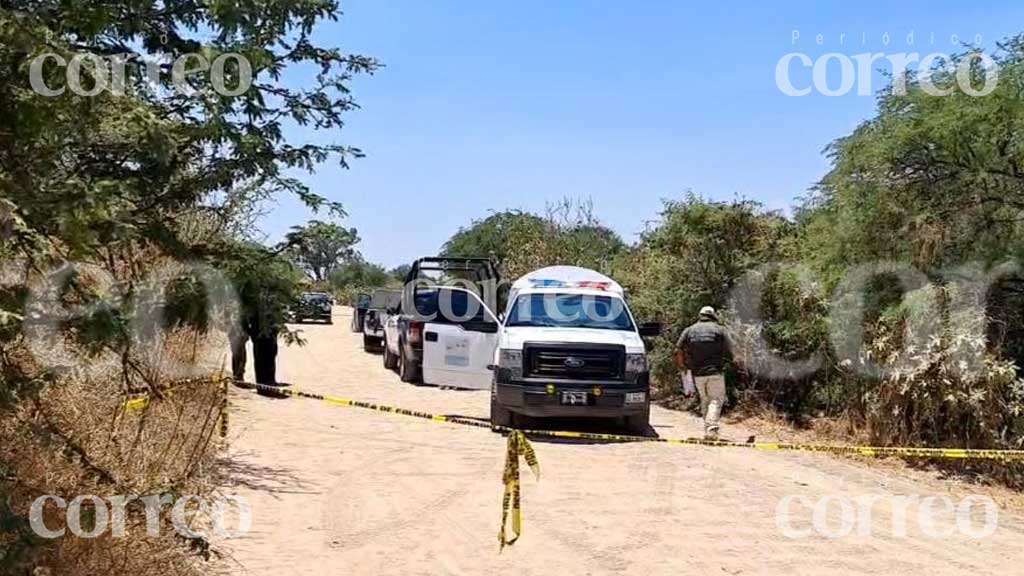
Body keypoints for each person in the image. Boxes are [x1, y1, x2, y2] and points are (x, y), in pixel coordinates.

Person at [675, 306, 732, 440]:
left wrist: (682, 366)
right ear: (713, 316)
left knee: (705, 400)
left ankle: (707, 429)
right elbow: (731, 349)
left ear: (700, 316)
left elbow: (677, 350)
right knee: (716, 400)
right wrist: (733, 362)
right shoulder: (720, 330)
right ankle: (711, 430)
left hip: (697, 374)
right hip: (715, 372)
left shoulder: (689, 330)